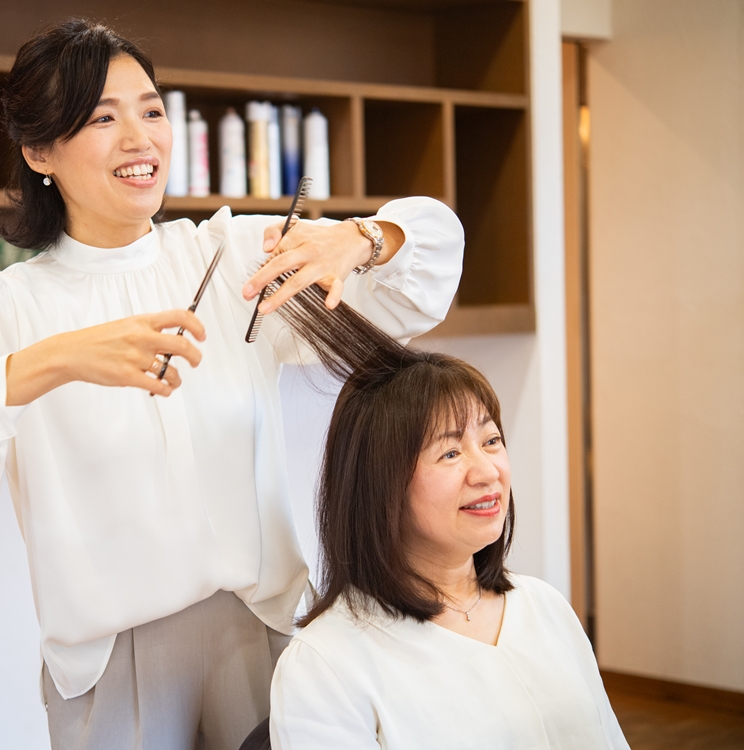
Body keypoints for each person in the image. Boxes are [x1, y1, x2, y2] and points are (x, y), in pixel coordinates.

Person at [0, 18, 464, 750]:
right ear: (40, 149)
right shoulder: (5, 305)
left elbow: (425, 272)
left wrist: (360, 238)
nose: (140, 139)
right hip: (112, 665)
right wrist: (57, 358)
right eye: (102, 118)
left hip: (262, 632)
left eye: (150, 110)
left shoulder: (229, 251)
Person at [264, 301, 629, 749]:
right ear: (380, 484)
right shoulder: (326, 664)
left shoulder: (545, 608)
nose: (487, 471)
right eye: (450, 453)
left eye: (491, 440)